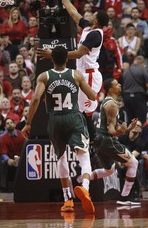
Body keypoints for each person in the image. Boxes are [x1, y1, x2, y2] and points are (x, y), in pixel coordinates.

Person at [22, 46, 98, 214]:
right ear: (67, 59)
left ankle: (67, 200)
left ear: (51, 59)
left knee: (61, 159)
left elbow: (35, 100)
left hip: (55, 120)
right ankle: (85, 187)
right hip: (73, 117)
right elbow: (92, 96)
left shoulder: (44, 76)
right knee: (83, 155)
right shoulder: (76, 75)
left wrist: (28, 123)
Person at [37, 0, 109, 142]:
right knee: (78, 108)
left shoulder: (96, 35)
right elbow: (74, 13)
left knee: (84, 111)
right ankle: (87, 139)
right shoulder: (89, 27)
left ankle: (94, 141)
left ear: (96, 21)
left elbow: (78, 53)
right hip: (82, 72)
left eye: (93, 15)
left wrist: (54, 54)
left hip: (89, 75)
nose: (89, 15)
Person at [82, 78, 140, 205]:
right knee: (134, 163)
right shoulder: (112, 105)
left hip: (99, 141)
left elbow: (111, 127)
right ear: (110, 89)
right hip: (108, 141)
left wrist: (128, 128)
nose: (119, 85)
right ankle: (124, 198)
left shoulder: (107, 102)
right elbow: (112, 131)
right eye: (116, 84)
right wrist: (123, 130)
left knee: (109, 170)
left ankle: (83, 181)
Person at [0, 118, 28, 192]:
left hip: (23, 158)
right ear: (5, 127)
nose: (9, 124)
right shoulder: (3, 138)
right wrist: (8, 160)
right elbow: (3, 152)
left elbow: (28, 148)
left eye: (11, 122)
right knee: (3, 163)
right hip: (11, 160)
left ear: (14, 125)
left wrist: (22, 158)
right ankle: (3, 187)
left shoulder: (21, 135)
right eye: (7, 123)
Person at [122, 55, 148, 124]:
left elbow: (123, 86)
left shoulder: (126, 71)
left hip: (127, 97)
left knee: (130, 120)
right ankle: (141, 134)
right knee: (141, 119)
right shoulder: (142, 69)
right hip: (138, 96)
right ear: (142, 62)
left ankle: (130, 134)